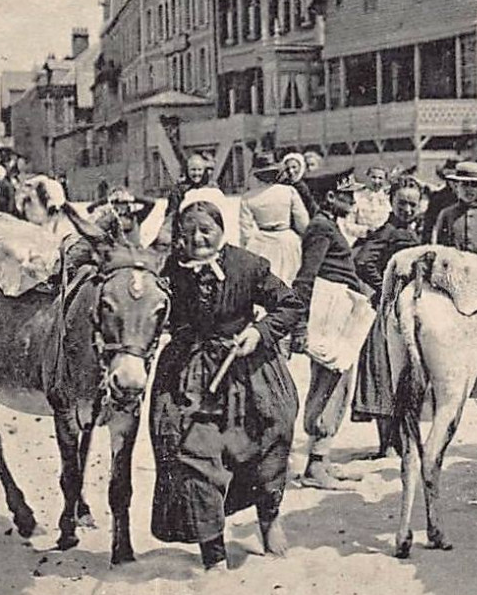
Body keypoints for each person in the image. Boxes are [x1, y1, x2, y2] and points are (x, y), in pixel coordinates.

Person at [150, 196, 303, 571]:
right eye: (190, 232)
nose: (199, 238)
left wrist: (260, 332)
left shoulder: (248, 266)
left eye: (207, 230)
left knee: (271, 439)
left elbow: (290, 304)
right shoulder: (171, 271)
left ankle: (268, 517)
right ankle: (213, 552)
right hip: (191, 376)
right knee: (194, 455)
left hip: (248, 369)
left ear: (222, 230)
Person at [292, 177, 370, 489]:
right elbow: (306, 276)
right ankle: (315, 466)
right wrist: (299, 323)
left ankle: (321, 458)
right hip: (328, 309)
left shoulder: (328, 225)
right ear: (331, 196)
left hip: (338, 307)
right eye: (348, 196)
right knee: (330, 381)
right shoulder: (321, 228)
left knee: (338, 379)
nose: (353, 202)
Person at [350, 176, 425, 458]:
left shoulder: (407, 229)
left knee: (401, 373)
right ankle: (388, 445)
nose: (407, 209)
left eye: (412, 204)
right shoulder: (389, 231)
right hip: (389, 309)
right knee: (384, 371)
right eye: (402, 203)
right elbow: (363, 262)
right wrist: (386, 287)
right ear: (391, 202)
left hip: (406, 308)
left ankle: (397, 442)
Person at [238, 148, 309, 284]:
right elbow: (303, 223)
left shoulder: (248, 198)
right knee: (290, 280)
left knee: (265, 283)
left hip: (262, 242)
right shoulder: (289, 191)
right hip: (287, 240)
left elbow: (245, 232)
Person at [342, 165, 392, 244]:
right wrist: (366, 231)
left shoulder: (389, 199)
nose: (376, 181)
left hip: (387, 241)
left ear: (385, 180)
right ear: (367, 177)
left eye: (380, 178)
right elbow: (348, 225)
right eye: (373, 177)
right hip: (365, 241)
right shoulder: (357, 197)